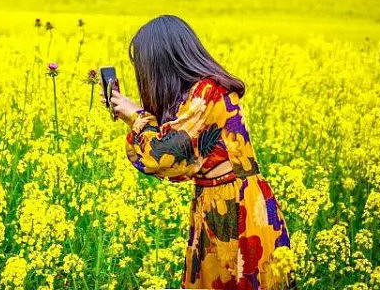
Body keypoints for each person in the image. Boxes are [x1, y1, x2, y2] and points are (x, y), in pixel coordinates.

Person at [99, 15, 295, 289]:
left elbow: (165, 156)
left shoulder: (209, 92)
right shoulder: (197, 95)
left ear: (163, 62)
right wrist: (135, 116)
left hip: (237, 211)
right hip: (215, 205)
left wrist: (139, 117)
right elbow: (180, 165)